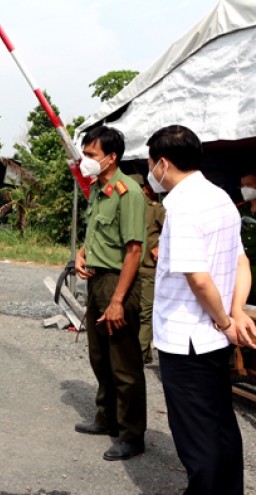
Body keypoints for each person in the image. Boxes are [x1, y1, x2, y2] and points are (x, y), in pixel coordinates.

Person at [145, 125, 255, 494]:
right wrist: (237, 312)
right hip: (212, 338)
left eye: (150, 164)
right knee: (221, 426)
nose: (151, 173)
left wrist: (225, 319)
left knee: (197, 439)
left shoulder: (184, 208)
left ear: (162, 163)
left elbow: (200, 280)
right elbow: (241, 261)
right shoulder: (220, 198)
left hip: (188, 338)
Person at [73, 126, 148, 461]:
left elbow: (133, 250)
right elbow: (96, 234)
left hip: (118, 283)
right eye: (85, 154)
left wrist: (118, 300)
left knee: (124, 364)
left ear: (111, 157)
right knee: (100, 356)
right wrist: (81, 253)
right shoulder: (97, 190)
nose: (85, 161)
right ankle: (107, 418)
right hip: (96, 281)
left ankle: (131, 435)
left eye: (90, 155)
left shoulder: (127, 191)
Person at [130, 174, 166, 366]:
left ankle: (140, 354)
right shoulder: (124, 208)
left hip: (146, 269)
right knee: (131, 312)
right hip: (125, 269)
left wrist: (162, 246)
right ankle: (139, 352)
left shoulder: (155, 209)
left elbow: (175, 228)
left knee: (145, 312)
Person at [239, 173, 256, 305]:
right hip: (243, 268)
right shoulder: (241, 209)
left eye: (249, 185)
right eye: (243, 185)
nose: (245, 189)